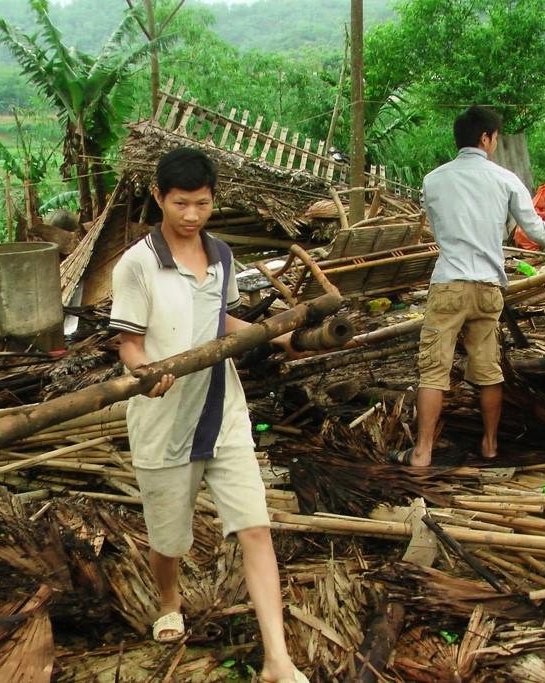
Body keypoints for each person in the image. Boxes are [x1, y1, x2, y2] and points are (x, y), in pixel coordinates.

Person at [110, 147, 307, 683]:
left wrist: (278, 333)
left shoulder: (220, 254)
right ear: (158, 198)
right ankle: (169, 600)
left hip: (224, 411)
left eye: (201, 204)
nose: (192, 215)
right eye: (181, 204)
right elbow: (128, 342)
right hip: (164, 417)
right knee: (169, 541)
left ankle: (277, 660)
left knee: (255, 528)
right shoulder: (137, 264)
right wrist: (147, 371)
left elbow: (218, 319)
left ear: (212, 200)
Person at [392, 105, 545, 467]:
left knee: (433, 370)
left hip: (449, 283)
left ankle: (421, 452)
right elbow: (533, 228)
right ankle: (491, 445)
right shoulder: (505, 179)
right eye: (496, 137)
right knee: (488, 369)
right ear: (486, 138)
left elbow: (436, 229)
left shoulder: (433, 180)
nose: (495, 143)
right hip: (487, 288)